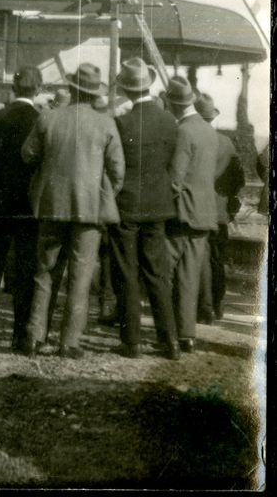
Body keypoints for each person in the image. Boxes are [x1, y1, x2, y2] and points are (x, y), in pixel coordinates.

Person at [22, 63, 125, 358]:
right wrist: (103, 193)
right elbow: (117, 170)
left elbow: (28, 154)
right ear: (95, 93)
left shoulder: (48, 117)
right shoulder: (106, 123)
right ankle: (69, 342)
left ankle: (34, 337)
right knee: (80, 277)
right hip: (89, 209)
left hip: (51, 204)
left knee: (45, 271)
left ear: (71, 88)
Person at [108, 58, 181, 360]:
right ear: (149, 84)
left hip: (127, 204)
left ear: (125, 89)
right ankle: (170, 340)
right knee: (157, 273)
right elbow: (171, 162)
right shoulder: (169, 121)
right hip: (157, 205)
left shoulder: (122, 122)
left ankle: (132, 341)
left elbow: (114, 165)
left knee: (126, 272)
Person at [0, 66, 42, 352]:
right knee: (25, 272)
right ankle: (20, 335)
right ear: (38, 89)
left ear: (14, 88)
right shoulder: (41, 120)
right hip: (28, 208)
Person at [164, 76, 218, 353]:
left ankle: (169, 333)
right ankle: (187, 334)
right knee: (189, 275)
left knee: (163, 271)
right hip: (204, 213)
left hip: (181, 213)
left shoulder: (183, 131)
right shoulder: (209, 131)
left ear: (173, 104)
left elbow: (175, 178)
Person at [195, 93, 245, 323]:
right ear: (212, 116)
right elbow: (238, 179)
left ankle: (202, 306)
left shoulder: (190, 138)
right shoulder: (226, 142)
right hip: (220, 212)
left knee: (198, 259)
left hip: (196, 210)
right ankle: (218, 303)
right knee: (217, 260)